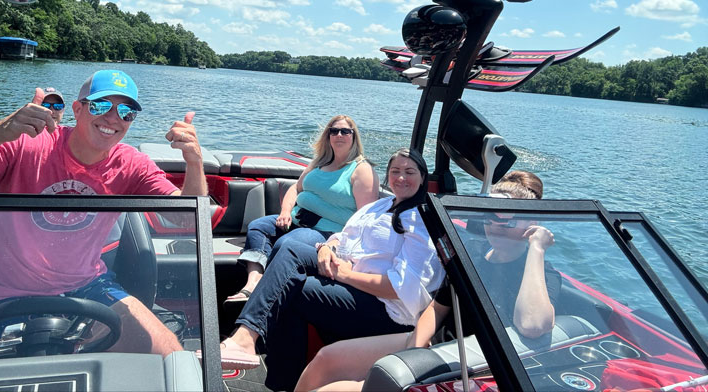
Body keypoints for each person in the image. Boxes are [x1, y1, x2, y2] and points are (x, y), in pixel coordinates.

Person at [0, 69, 208, 356]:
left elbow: (187, 220)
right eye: (102, 105)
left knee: (171, 356)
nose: (113, 118)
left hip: (89, 287)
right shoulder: (25, 145)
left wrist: (194, 162)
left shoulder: (131, 163)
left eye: (126, 112)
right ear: (77, 109)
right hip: (0, 296)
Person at [294, 172, 558, 392]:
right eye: (490, 216)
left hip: (469, 363)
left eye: (509, 219)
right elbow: (437, 308)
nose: (497, 226)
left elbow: (532, 325)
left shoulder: (539, 275)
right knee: (326, 358)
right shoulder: (472, 255)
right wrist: (415, 350)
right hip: (430, 345)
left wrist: (536, 249)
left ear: (532, 221)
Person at [212, 148, 444, 392]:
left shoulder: (420, 221)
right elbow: (344, 235)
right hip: (350, 279)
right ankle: (255, 349)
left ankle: (258, 353)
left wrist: (345, 275)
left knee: (295, 290)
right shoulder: (381, 206)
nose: (401, 178)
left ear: (423, 177)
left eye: (409, 172)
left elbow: (398, 288)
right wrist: (327, 247)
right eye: (395, 171)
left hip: (384, 309)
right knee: (291, 248)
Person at [226, 115, 379, 304]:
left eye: (345, 131)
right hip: (296, 221)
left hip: (326, 233)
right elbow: (295, 189)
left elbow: (364, 219)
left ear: (354, 137)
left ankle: (264, 295)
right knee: (258, 226)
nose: (339, 135)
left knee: (286, 244)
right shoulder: (319, 163)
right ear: (328, 136)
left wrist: (336, 244)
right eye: (334, 131)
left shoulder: (361, 170)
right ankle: (254, 281)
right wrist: (284, 212)